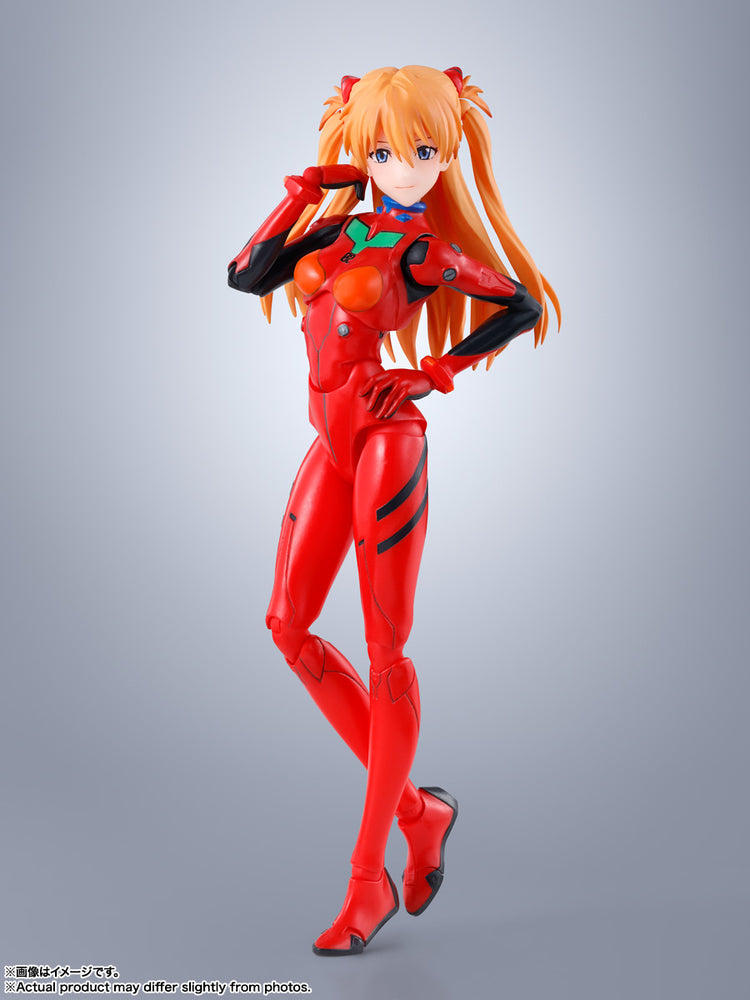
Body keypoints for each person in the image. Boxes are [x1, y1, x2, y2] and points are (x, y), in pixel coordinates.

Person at [228, 64, 559, 956]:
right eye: (382, 150)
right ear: (357, 146)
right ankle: (419, 811)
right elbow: (246, 275)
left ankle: (367, 878)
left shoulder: (421, 252)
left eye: (420, 150)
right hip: (331, 445)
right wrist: (303, 193)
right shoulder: (337, 227)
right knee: (288, 627)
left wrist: (434, 371)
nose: (402, 166)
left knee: (385, 654)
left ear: (445, 154)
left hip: (387, 441)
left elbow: (520, 302)